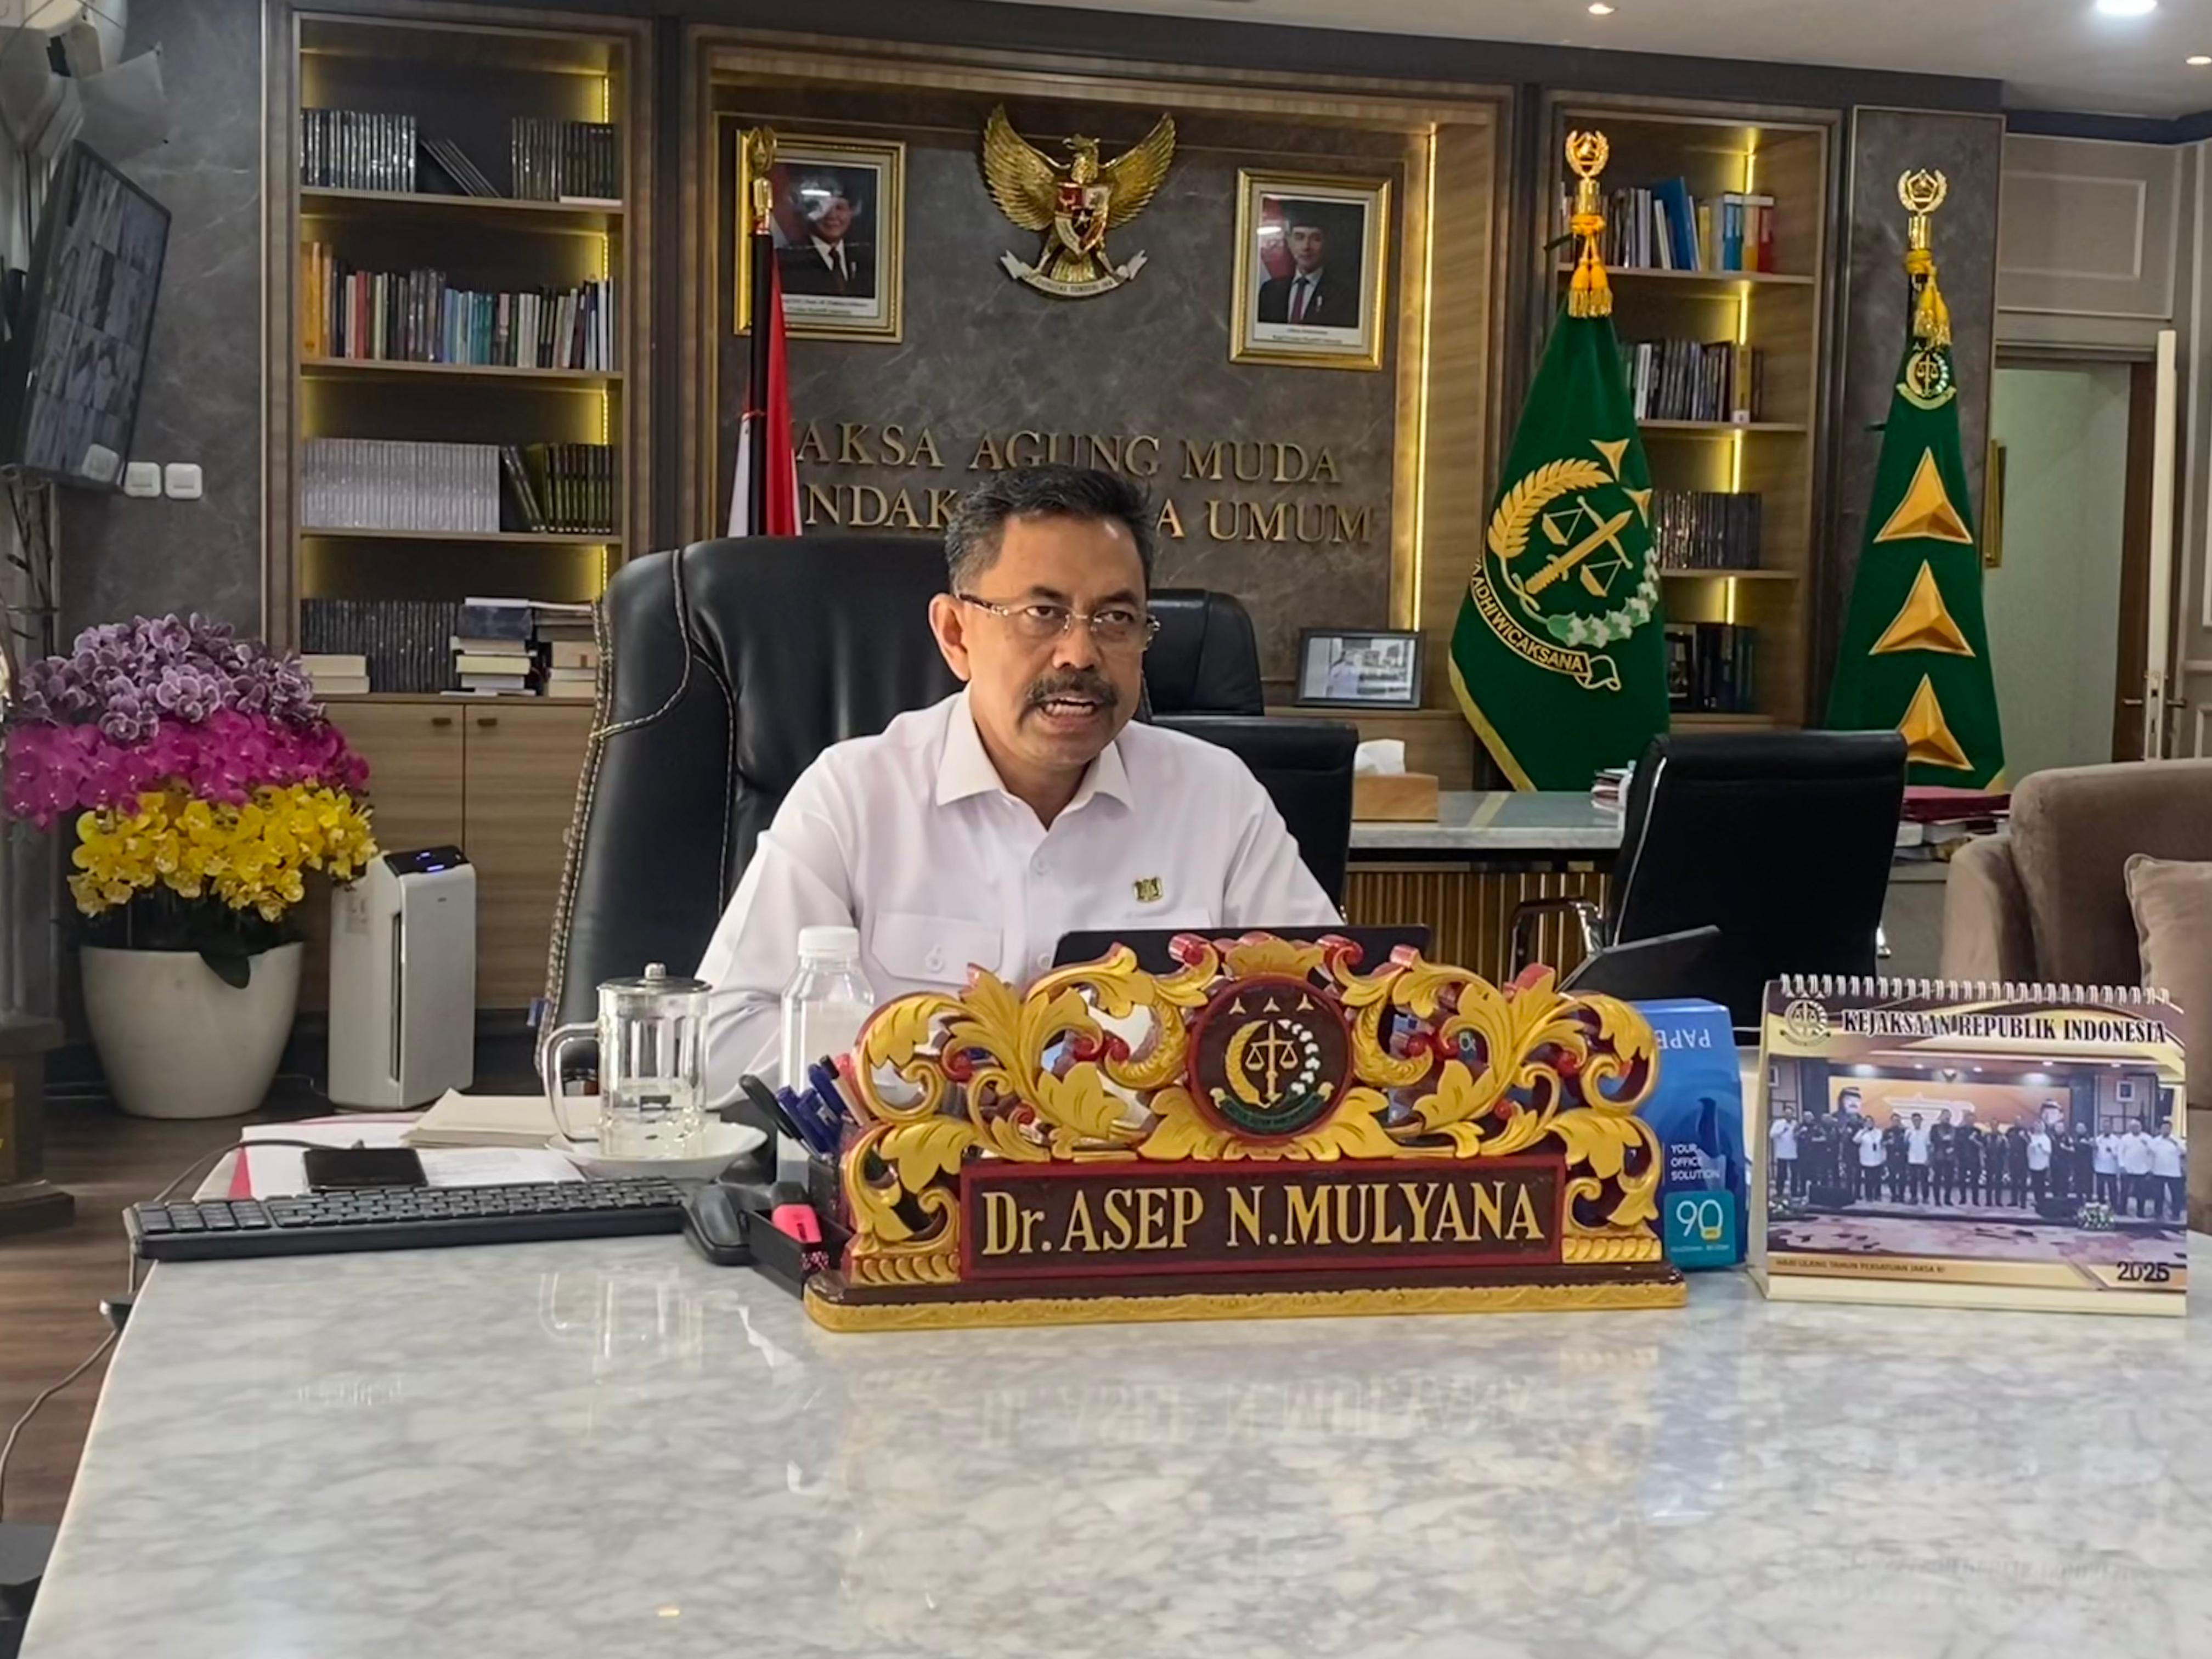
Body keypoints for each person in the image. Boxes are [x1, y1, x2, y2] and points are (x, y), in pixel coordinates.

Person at [695, 467, 1339, 1099]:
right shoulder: (854, 796)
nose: (1080, 654)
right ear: (956, 635)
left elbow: (1328, 1009)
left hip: (1148, 1169)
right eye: (1043, 613)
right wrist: (955, 1081)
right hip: (919, 1164)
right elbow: (723, 1039)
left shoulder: (1216, 797)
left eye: (1115, 618)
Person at [776, 172, 874, 299]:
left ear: (852, 212)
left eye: (839, 208)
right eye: (823, 208)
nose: (832, 216)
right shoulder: (788, 260)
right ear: (809, 212)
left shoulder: (867, 259)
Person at [1257, 210, 1347, 328]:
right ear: (1289, 241)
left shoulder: (1343, 296)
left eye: (1315, 239)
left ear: (1326, 242)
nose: (1306, 247)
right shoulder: (1270, 291)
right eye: (1299, 238)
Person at [2149, 1122, 2185, 1222]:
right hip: (2158, 1171)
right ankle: (2158, 1213)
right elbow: (2151, 1154)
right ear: (2160, 1129)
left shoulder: (2177, 1140)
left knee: (2176, 1195)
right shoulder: (2155, 1141)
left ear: (2171, 1129)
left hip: (2174, 1172)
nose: (2165, 1130)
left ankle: (2176, 1214)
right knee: (2158, 1194)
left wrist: (2175, 1143)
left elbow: (2184, 1152)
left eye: (2167, 1128)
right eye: (2163, 1128)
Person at [2119, 1117, 2154, 1216]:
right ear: (2130, 1128)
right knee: (2124, 1191)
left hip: (2143, 1170)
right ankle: (2122, 1211)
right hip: (2128, 1169)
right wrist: (2122, 1166)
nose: (2135, 1129)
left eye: (2137, 1127)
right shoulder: (2125, 1138)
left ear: (2141, 1127)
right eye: (2133, 1127)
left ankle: (2140, 1212)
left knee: (2141, 1193)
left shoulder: (2148, 1138)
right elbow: (2120, 1153)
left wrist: (2150, 1168)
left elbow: (2153, 1152)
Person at [1855, 1118, 1888, 1203]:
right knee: (1868, 1179)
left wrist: (1883, 1157)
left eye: (1871, 1122)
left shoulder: (1879, 1132)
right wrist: (1863, 1132)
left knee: (1878, 1179)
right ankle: (1869, 1196)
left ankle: (1878, 1195)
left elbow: (1882, 1144)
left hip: (1877, 1158)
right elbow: (1856, 1140)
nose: (1869, 1123)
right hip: (1867, 1159)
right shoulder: (1862, 1132)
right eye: (1867, 1122)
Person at [1929, 1108, 1957, 1206]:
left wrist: (1952, 1148)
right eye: (1945, 1115)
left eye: (1949, 1116)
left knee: (1949, 1179)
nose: (1947, 1118)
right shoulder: (1935, 1128)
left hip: (1950, 1158)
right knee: (1937, 1179)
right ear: (1941, 1117)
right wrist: (1943, 1141)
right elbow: (1933, 1139)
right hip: (1939, 1156)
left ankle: (1947, 1199)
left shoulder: (1953, 1129)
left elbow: (1957, 1142)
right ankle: (1937, 1200)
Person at [1769, 1109, 1799, 1200]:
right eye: (1787, 1114)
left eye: (1790, 1114)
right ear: (1784, 1114)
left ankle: (1794, 1192)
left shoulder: (1795, 1124)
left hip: (1793, 1153)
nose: (1789, 1116)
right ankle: (1779, 1192)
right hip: (1782, 1153)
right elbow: (1772, 1135)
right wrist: (1782, 1131)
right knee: (1781, 1174)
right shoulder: (1778, 1123)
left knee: (1794, 1174)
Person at [1904, 1111, 1932, 1204]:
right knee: (1913, 1181)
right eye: (1915, 1120)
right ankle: (1913, 1197)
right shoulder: (1909, 1132)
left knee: (1924, 1180)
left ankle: (1925, 1198)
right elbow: (1906, 1145)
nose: (1916, 1122)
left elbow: (1929, 1146)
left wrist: (1928, 1159)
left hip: (1923, 1159)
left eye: (1918, 1120)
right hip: (1912, 1160)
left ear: (1921, 1121)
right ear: (1912, 1121)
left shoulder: (1926, 1132)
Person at [2094, 1122, 2121, 1209]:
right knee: (2100, 1189)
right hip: (2100, 1168)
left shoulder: (2117, 1140)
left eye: (2108, 1128)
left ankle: (2114, 1206)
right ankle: (2100, 1206)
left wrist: (2112, 1151)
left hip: (2111, 1169)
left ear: (2111, 1129)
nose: (2106, 1129)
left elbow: (2119, 1155)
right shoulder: (2098, 1139)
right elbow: (2095, 1153)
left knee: (2113, 1189)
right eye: (2105, 1128)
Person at [2025, 1119, 2052, 1206]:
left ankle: (2042, 1200)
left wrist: (2041, 1148)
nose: (2037, 1128)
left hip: (2042, 1164)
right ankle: (2036, 1199)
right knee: (2035, 1183)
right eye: (2036, 1126)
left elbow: (2049, 1152)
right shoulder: (2032, 1137)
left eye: (2039, 1126)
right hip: (2033, 1163)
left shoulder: (2046, 1138)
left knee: (2041, 1183)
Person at [1958, 1117, 1984, 1207]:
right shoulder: (1960, 1131)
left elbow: (1982, 1145)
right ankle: (1963, 1199)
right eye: (1969, 1120)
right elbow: (1957, 1144)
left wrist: (1974, 1140)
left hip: (1974, 1159)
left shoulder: (1977, 1131)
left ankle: (1975, 1200)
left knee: (1975, 1181)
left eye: (1972, 1120)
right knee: (1962, 1180)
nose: (1970, 1122)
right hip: (1962, 1159)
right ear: (1966, 1121)